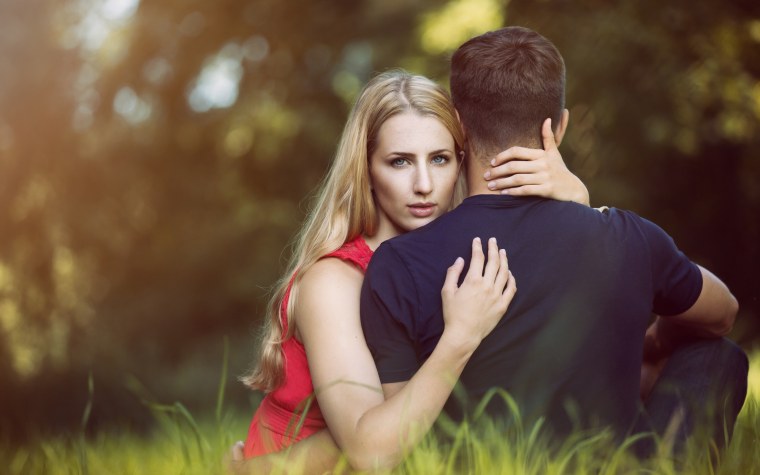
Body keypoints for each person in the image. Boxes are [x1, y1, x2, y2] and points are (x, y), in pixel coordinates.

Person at [360, 26, 748, 457]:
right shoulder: (629, 237)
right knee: (718, 354)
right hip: (619, 463)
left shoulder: (397, 262)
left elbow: (399, 442)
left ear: (458, 127)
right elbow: (722, 313)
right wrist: (656, 339)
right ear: (559, 127)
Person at [231, 70, 590, 472]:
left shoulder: (464, 258)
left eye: (439, 159)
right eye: (399, 161)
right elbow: (367, 452)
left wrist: (578, 206)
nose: (423, 184)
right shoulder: (333, 282)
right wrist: (459, 338)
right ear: (366, 170)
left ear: (461, 161)